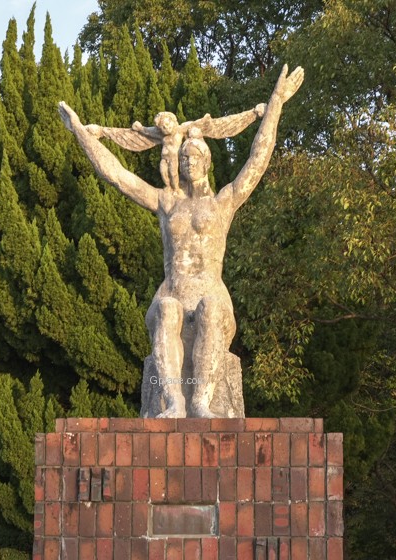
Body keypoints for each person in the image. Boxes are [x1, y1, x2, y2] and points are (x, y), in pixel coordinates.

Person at [59, 64, 304, 418]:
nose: (188, 161)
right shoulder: (166, 202)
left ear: (207, 162)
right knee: (166, 310)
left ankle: (201, 403)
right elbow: (118, 176)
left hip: (211, 294)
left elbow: (257, 161)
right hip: (173, 291)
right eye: (184, 156)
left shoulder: (222, 202)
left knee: (211, 309)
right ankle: (174, 403)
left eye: (195, 156)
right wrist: (81, 133)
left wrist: (276, 102)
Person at [87, 104, 266, 191]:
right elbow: (135, 136)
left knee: (172, 173)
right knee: (166, 174)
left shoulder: (184, 129)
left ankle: (176, 188)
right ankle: (173, 189)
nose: (166, 128)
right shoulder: (160, 135)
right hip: (168, 168)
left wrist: (252, 114)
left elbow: (220, 125)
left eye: (168, 124)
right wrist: (102, 131)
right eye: (162, 127)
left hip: (177, 168)